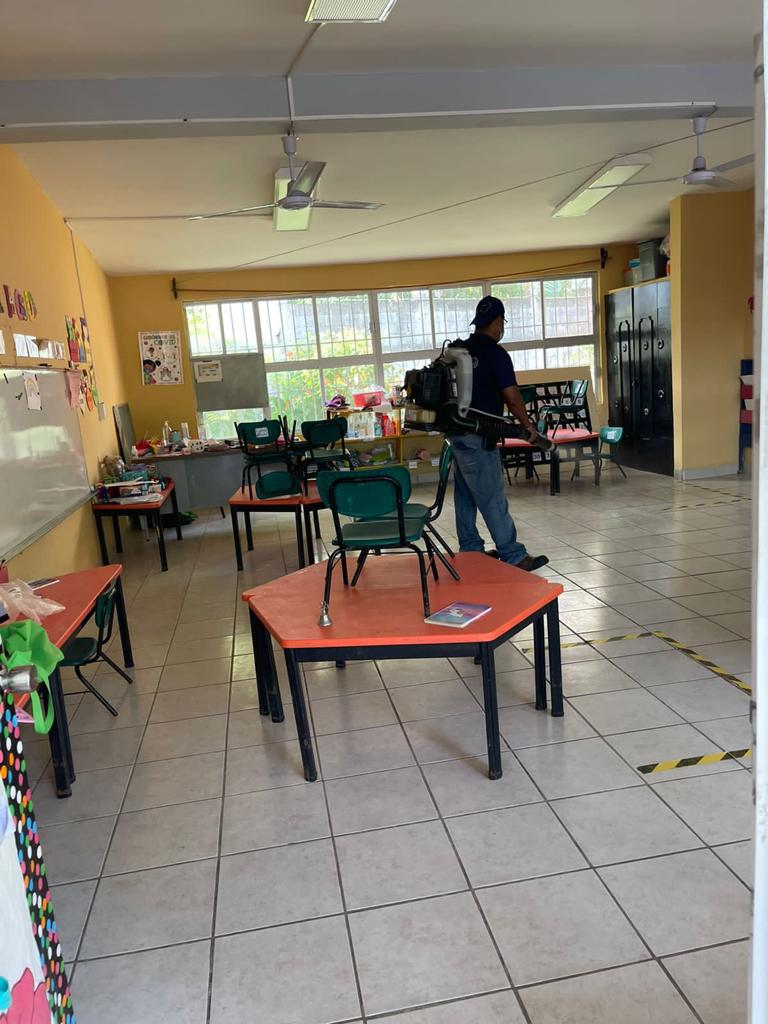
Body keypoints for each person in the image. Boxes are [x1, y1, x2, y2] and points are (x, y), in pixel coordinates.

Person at [446, 295, 549, 571]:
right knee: (491, 495)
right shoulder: (495, 354)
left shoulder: (460, 350)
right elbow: (512, 398)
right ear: (498, 322)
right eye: (502, 322)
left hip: (455, 432)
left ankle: (470, 549)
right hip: (479, 435)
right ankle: (513, 554)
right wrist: (528, 426)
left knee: (466, 495)